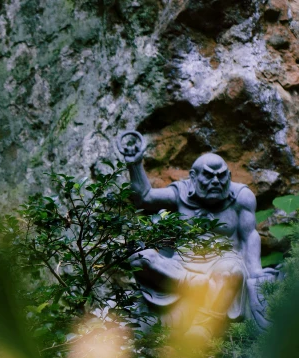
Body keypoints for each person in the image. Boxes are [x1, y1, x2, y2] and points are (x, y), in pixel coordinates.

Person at [116, 131, 273, 343]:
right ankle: (194, 284)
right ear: (193, 177)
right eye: (208, 175)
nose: (216, 181)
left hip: (224, 260)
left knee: (231, 271)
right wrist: (134, 164)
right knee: (139, 258)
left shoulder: (242, 197)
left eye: (222, 175)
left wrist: (255, 273)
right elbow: (144, 197)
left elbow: (249, 236)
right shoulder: (181, 192)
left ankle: (202, 327)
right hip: (182, 263)